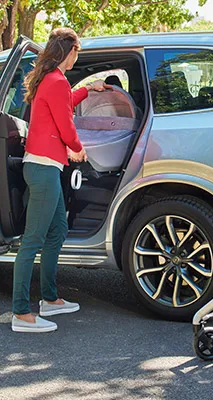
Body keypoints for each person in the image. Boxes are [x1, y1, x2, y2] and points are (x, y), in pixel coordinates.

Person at [11, 27, 110, 333]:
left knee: (58, 231)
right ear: (68, 51)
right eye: (77, 52)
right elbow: (65, 121)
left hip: (46, 166)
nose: (76, 57)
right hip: (43, 167)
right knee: (33, 240)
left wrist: (88, 89)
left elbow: (65, 101)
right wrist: (77, 149)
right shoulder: (55, 81)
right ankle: (21, 313)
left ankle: (50, 299)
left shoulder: (53, 81)